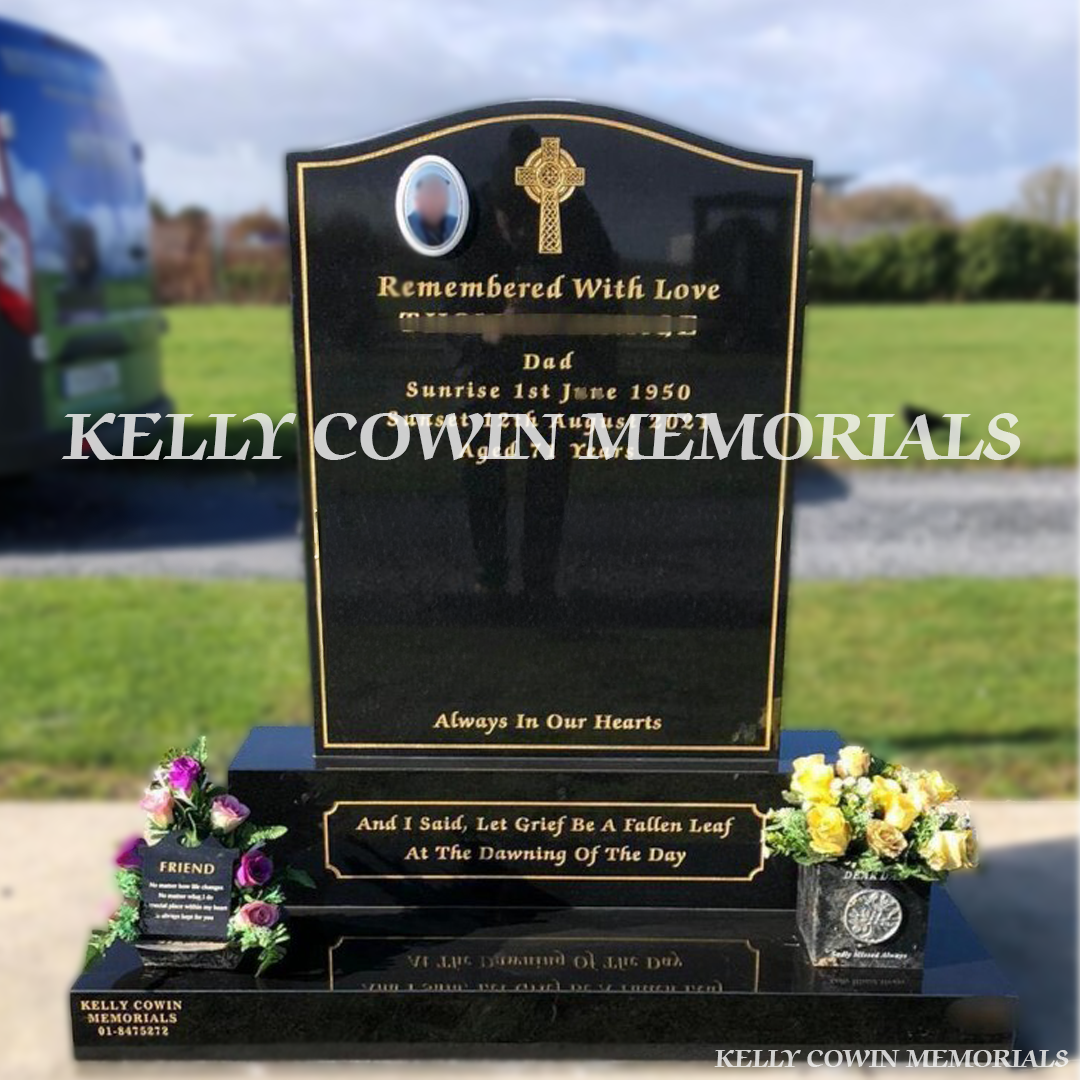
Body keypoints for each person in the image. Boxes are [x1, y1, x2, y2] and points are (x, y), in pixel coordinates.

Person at [407, 172, 457, 247]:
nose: (439, 200)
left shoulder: (455, 223)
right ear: (418, 200)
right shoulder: (408, 225)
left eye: (443, 193)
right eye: (433, 193)